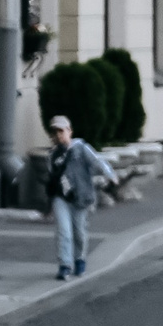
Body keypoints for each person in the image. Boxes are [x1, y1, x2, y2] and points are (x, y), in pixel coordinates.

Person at [43, 114, 115, 280]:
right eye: (55, 132)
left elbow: (97, 161)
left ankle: (79, 259)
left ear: (70, 131)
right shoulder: (52, 155)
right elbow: (51, 178)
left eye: (61, 131)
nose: (58, 135)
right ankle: (64, 265)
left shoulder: (81, 148)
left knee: (79, 232)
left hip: (80, 197)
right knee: (64, 232)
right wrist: (48, 203)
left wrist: (110, 174)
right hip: (61, 197)